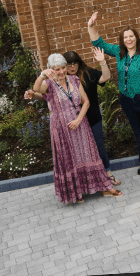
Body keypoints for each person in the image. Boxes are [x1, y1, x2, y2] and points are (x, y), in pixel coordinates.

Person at [24, 54, 122, 204]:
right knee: (70, 159)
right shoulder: (49, 84)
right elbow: (36, 88)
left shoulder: (74, 80)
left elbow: (86, 102)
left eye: (63, 67)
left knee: (89, 155)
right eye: (57, 69)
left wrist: (78, 120)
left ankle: (104, 187)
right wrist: (42, 75)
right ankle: (75, 193)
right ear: (52, 70)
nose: (62, 71)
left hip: (80, 124)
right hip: (61, 127)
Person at [89, 12, 140, 175]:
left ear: (136, 38)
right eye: (126, 37)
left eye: (131, 36)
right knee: (138, 130)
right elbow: (99, 43)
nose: (129, 39)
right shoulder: (118, 52)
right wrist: (91, 26)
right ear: (123, 40)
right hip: (127, 99)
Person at [56, 48, 119, 184]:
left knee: (99, 145)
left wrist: (102, 62)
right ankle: (87, 180)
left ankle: (108, 173)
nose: (72, 67)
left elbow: (105, 77)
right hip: (74, 122)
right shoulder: (61, 80)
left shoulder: (88, 73)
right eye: (69, 64)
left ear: (79, 63)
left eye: (75, 63)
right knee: (79, 151)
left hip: (92, 118)